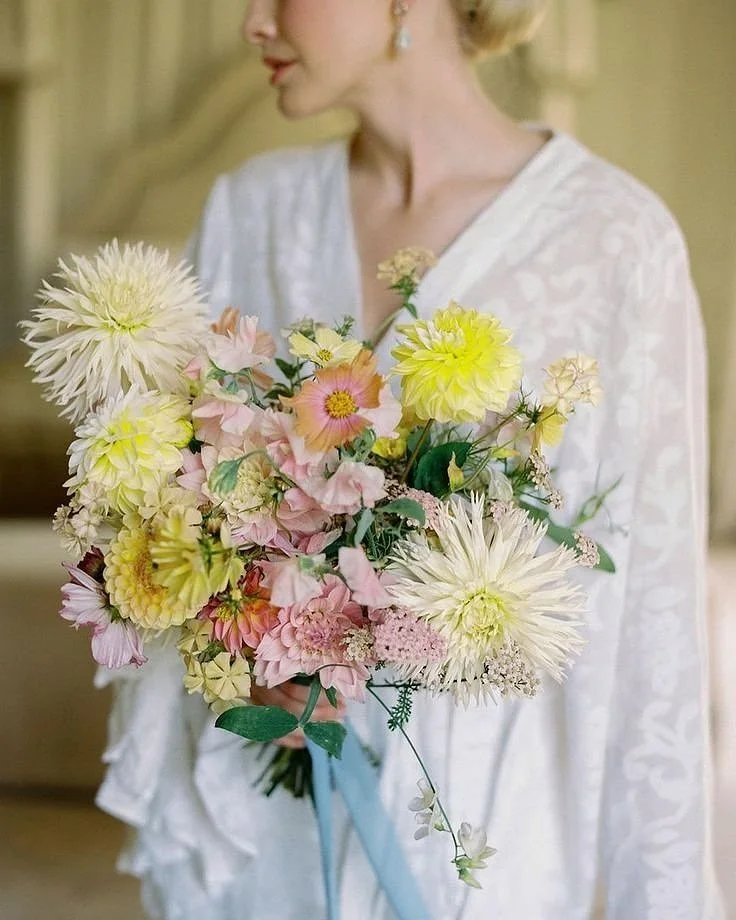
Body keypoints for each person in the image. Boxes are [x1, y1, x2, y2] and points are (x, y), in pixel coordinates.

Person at [95, 1, 726, 917]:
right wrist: (245, 643)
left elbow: (653, 635)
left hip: (477, 834)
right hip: (265, 822)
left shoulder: (615, 241)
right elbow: (171, 510)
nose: (251, 21)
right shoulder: (253, 208)